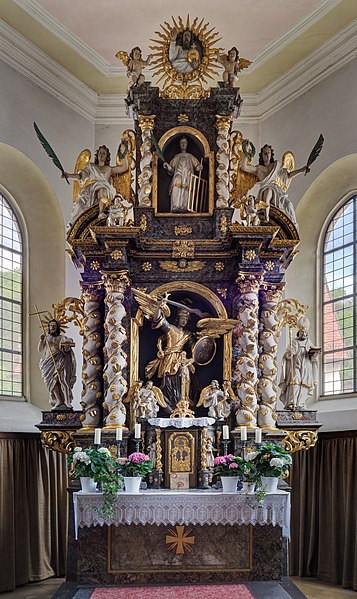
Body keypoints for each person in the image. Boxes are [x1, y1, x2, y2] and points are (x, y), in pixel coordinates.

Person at [241, 142, 310, 226]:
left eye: (268, 153)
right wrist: (246, 152)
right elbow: (244, 167)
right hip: (265, 189)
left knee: (289, 205)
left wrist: (302, 170)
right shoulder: (259, 169)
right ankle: (266, 217)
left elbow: (288, 175)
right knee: (268, 191)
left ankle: (294, 226)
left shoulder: (276, 166)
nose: (267, 155)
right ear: (262, 156)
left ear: (271, 154)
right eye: (265, 153)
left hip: (277, 191)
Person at [145, 301, 194, 412]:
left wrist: (193, 357)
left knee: (183, 378)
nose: (184, 321)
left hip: (181, 359)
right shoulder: (170, 328)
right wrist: (159, 306)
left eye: (186, 320)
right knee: (168, 382)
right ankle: (169, 405)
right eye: (182, 319)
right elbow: (158, 320)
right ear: (178, 319)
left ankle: (182, 402)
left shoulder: (187, 334)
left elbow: (194, 348)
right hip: (168, 358)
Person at [64, 144, 128, 227]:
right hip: (91, 190)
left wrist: (124, 153)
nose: (101, 155)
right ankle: (73, 224)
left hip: (104, 189)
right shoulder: (91, 166)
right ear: (97, 155)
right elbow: (80, 176)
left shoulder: (109, 169)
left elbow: (125, 167)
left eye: (104, 153)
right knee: (80, 204)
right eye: (100, 153)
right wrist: (69, 175)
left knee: (103, 191)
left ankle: (101, 213)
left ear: (106, 157)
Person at [279, 318, 320, 410]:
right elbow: (286, 355)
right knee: (295, 381)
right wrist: (290, 354)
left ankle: (300, 403)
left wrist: (314, 354)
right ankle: (291, 402)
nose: (303, 333)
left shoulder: (309, 342)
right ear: (299, 332)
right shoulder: (293, 341)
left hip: (306, 367)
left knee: (304, 384)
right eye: (301, 332)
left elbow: (313, 358)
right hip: (295, 366)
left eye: (305, 332)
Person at [38, 319, 76, 409]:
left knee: (62, 380)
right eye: (51, 326)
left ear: (58, 327)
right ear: (49, 327)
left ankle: (67, 401)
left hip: (59, 361)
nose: (52, 327)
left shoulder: (61, 337)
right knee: (52, 382)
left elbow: (68, 344)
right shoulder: (46, 338)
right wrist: (41, 340)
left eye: (54, 326)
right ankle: (59, 400)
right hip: (47, 362)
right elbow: (40, 349)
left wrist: (69, 341)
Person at [163, 137, 203, 212]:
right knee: (176, 190)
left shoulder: (190, 156)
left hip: (188, 177)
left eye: (185, 143)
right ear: (180, 144)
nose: (183, 144)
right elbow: (171, 170)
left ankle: (185, 207)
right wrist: (167, 167)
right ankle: (175, 206)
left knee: (186, 191)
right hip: (178, 177)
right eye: (182, 143)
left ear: (187, 144)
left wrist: (199, 167)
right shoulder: (176, 157)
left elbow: (197, 166)